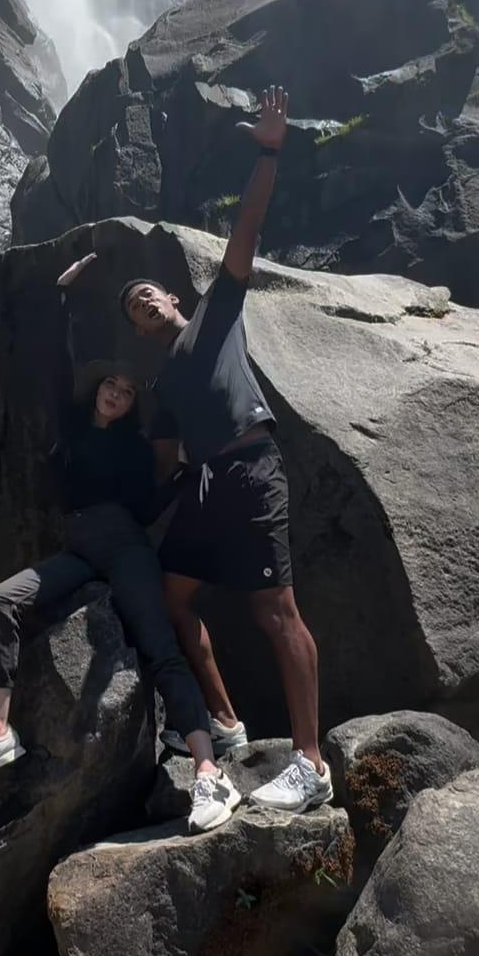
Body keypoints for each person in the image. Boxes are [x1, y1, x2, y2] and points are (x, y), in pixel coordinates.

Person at [0, 256, 242, 835]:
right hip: (79, 551)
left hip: (126, 549)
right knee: (0, 601)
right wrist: (61, 297)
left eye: (127, 391)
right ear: (97, 390)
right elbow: (52, 363)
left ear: (133, 403)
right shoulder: (71, 427)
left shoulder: (134, 450)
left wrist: (184, 475)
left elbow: (147, 506)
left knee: (160, 648)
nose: (117, 393)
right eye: (111, 384)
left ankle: (209, 769)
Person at [119, 85, 333, 815]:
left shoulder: (216, 310)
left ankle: (311, 762)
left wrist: (268, 153)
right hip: (205, 488)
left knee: (276, 611)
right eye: (134, 306)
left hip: (250, 470)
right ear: (139, 329)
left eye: (150, 293)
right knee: (172, 597)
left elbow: (247, 227)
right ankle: (228, 721)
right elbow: (161, 465)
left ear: (173, 298)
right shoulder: (159, 386)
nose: (144, 302)